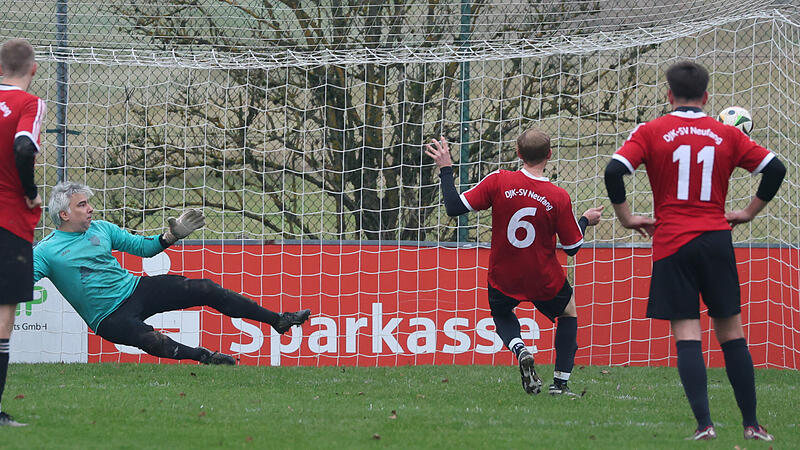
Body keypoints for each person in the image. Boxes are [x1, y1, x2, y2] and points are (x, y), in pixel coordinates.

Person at [604, 61, 785, 441]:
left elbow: (613, 171)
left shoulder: (651, 130)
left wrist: (626, 218)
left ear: (669, 94)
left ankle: (705, 426)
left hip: (672, 243)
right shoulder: (726, 134)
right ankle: (752, 424)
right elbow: (776, 169)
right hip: (716, 240)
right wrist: (748, 212)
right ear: (706, 97)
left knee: (687, 333)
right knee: (732, 333)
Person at [33, 181, 310, 366]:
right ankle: (206, 357)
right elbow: (20, 281)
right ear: (64, 215)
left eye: (87, 203)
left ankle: (279, 320)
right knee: (152, 340)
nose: (90, 208)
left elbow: (143, 248)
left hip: (135, 290)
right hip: (107, 317)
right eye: (81, 205)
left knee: (205, 289)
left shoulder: (102, 229)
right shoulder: (46, 251)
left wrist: (170, 236)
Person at [425, 130, 603, 396]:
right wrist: (586, 220)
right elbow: (573, 247)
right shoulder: (557, 196)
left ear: (519, 154)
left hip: (504, 274)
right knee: (568, 313)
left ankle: (519, 349)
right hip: (543, 277)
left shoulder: (499, 181)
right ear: (549, 155)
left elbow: (453, 207)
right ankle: (560, 384)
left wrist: (446, 167)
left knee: (501, 313)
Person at [0, 38, 45, 427]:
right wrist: (30, 193)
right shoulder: (29, 104)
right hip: (8, 222)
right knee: (2, 320)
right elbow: (21, 148)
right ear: (33, 69)